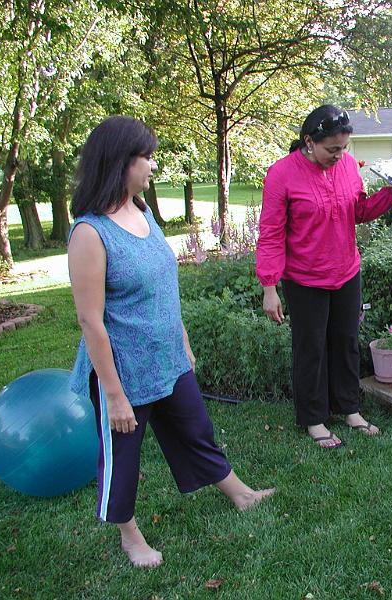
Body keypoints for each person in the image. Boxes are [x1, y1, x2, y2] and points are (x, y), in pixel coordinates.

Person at [67, 116, 274, 569]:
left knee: (195, 429)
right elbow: (90, 321)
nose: (153, 165)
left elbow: (164, 287)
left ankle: (240, 494)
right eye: (147, 157)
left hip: (167, 356)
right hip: (122, 370)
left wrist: (182, 339)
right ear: (121, 161)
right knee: (124, 455)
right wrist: (114, 395)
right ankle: (130, 536)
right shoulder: (90, 233)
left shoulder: (142, 211)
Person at [256, 105, 392, 449]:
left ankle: (349, 409)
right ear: (309, 141)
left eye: (344, 148)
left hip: (346, 271)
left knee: (346, 342)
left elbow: (359, 211)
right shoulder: (281, 174)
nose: (339, 155)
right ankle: (314, 418)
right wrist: (269, 287)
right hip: (304, 277)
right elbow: (271, 233)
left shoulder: (348, 166)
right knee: (311, 349)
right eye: (332, 149)